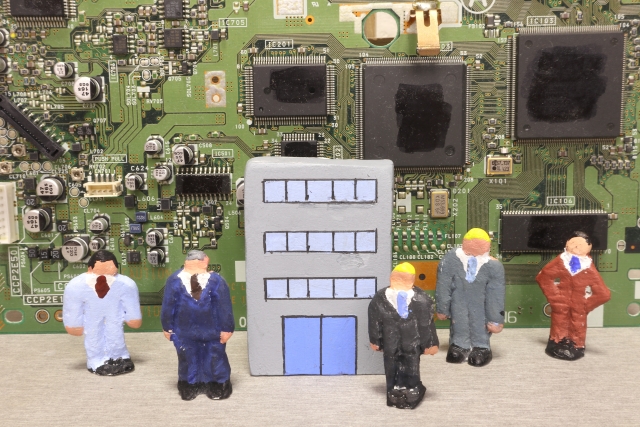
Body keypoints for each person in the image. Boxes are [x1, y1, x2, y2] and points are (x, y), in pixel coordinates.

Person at [161, 250, 235, 400]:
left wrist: (227, 328)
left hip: (212, 331)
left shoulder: (217, 281)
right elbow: (168, 306)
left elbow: (224, 306)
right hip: (184, 331)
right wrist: (167, 327)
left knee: (215, 357)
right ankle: (189, 384)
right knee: (187, 358)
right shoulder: (174, 281)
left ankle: (217, 384)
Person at [368, 262, 439, 409]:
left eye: (405, 278)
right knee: (391, 366)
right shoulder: (379, 299)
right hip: (390, 343)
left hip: (412, 343)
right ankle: (393, 389)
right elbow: (374, 321)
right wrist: (375, 340)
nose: (400, 281)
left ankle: (412, 388)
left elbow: (426, 324)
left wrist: (430, 343)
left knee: (411, 365)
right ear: (391, 278)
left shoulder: (422, 300)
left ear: (412, 280)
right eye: (397, 278)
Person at [63, 250, 142, 375]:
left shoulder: (125, 284)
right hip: (92, 318)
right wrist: (73, 324)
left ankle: (119, 356)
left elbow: (130, 301)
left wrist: (133, 317)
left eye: (110, 267)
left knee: (115, 333)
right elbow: (73, 306)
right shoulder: (76, 286)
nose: (107, 271)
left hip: (114, 315)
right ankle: (96, 360)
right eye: (102, 267)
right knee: (94, 337)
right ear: (90, 268)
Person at [536, 231, 611, 361]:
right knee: (558, 322)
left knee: (577, 326)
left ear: (589, 247)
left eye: (581, 244)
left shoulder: (588, 268)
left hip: (579, 305)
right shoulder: (561, 261)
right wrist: (554, 297)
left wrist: (586, 305)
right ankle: (556, 342)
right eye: (573, 243)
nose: (576, 246)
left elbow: (603, 294)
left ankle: (576, 346)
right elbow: (543, 278)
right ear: (567, 243)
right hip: (561, 302)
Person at [435, 228, 505, 367]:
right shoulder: (451, 259)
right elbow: (443, 284)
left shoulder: (494, 267)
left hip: (481, 306)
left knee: (479, 325)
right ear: (464, 244)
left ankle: (481, 347)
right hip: (458, 301)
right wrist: (442, 308)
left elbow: (496, 295)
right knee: (459, 323)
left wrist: (496, 320)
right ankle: (459, 346)